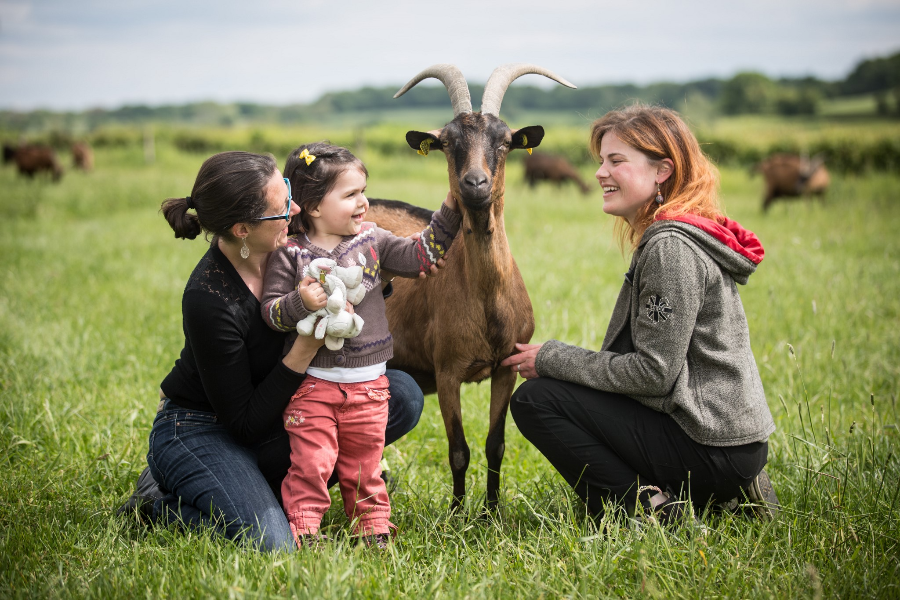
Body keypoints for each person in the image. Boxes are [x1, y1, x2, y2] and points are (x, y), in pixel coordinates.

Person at [118, 151, 434, 552]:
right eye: (282, 207)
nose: (296, 208)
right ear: (242, 229)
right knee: (273, 543)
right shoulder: (209, 298)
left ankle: (248, 488)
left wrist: (380, 269)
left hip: (287, 410)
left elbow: (353, 274)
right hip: (205, 427)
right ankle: (160, 502)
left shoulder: (292, 248)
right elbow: (244, 423)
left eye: (287, 193)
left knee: (400, 394)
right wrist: (305, 348)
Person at [501, 104, 779, 524]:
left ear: (661, 171)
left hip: (714, 444)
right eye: (600, 161)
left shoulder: (671, 249)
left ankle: (651, 510)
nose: (599, 173)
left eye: (616, 161)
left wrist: (551, 359)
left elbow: (654, 373)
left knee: (538, 400)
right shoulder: (679, 234)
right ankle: (722, 492)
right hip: (728, 439)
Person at [260, 143, 461, 548]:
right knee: (311, 463)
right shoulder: (291, 256)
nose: (364, 203)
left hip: (370, 388)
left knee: (365, 465)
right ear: (314, 206)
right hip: (313, 386)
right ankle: (303, 527)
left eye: (363, 191)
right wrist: (302, 302)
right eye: (351, 195)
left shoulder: (374, 241)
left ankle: (372, 528)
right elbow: (272, 314)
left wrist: (453, 206)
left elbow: (422, 254)